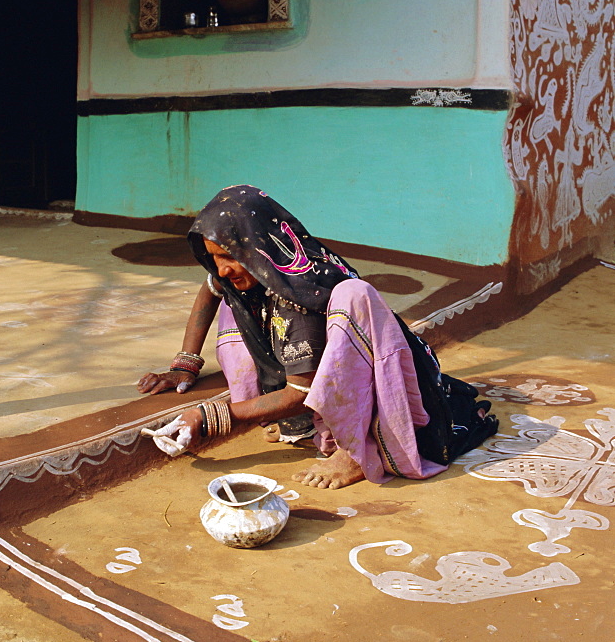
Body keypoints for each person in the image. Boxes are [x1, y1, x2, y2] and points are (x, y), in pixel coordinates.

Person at [137, 185, 497, 490]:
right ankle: (291, 419)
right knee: (237, 294)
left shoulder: (302, 290)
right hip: (313, 368)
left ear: (258, 246)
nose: (221, 267)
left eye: (228, 256)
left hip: (363, 380)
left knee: (352, 297)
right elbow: (211, 288)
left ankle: (355, 450)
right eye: (214, 257)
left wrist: (208, 416)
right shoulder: (255, 266)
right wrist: (186, 363)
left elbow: (299, 393)